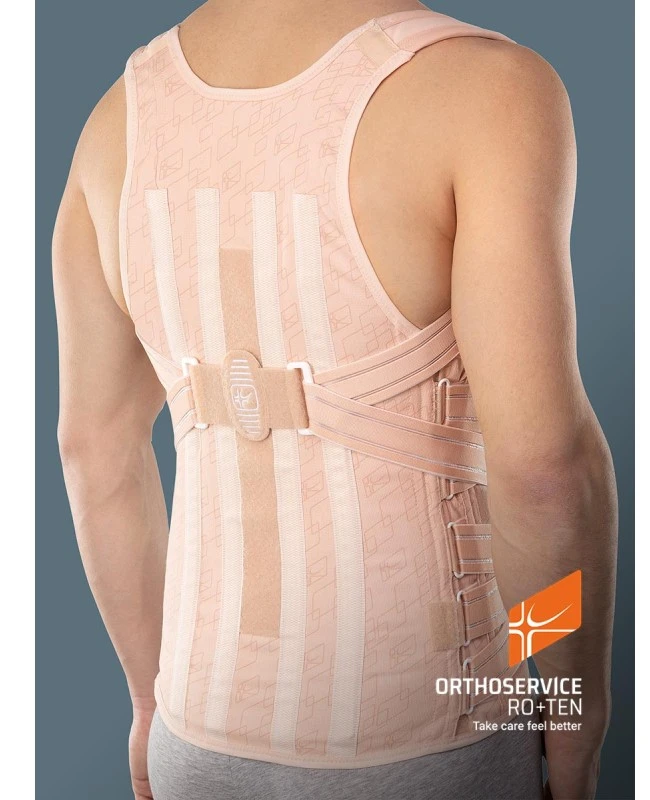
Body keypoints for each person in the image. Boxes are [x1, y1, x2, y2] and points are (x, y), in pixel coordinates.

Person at [53, 1, 617, 798]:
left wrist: (151, 704)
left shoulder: (116, 119)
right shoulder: (485, 89)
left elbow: (94, 452)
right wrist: (569, 709)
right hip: (433, 738)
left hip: (194, 731)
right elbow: (544, 474)